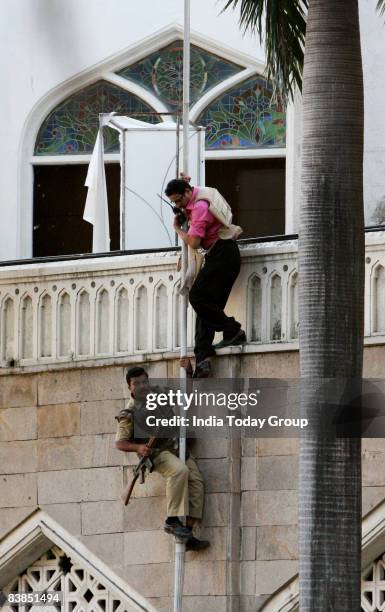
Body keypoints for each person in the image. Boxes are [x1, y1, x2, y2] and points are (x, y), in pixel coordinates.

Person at [115, 366, 210, 551]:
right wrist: (139, 447)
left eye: (144, 381)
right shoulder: (128, 414)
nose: (142, 386)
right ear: (130, 387)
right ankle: (172, 520)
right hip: (157, 453)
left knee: (197, 483)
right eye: (136, 383)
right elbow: (120, 443)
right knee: (179, 471)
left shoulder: (160, 395)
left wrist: (188, 373)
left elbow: (185, 398)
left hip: (177, 446)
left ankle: (188, 533)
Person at [165, 176, 246, 377]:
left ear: (186, 193)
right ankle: (203, 358)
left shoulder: (200, 207)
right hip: (219, 255)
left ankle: (233, 330)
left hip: (223, 255)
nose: (177, 205)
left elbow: (194, 242)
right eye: (173, 202)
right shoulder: (196, 194)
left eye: (178, 201)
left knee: (197, 298)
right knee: (206, 308)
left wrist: (177, 228)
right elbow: (188, 193)